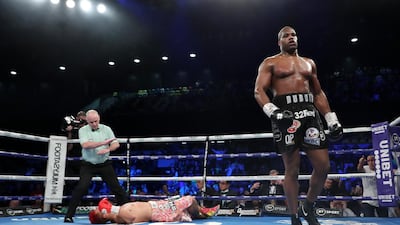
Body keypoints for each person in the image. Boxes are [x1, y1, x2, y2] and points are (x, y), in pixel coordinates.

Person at [254, 26, 343, 225]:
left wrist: (331, 118)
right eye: (286, 36)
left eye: (293, 35)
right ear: (279, 42)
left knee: (323, 166)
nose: (291, 38)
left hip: (309, 112)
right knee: (291, 169)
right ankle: (294, 217)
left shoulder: (309, 63)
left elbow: (318, 93)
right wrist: (273, 112)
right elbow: (259, 90)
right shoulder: (271, 62)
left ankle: (308, 206)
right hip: (285, 113)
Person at [64, 109, 129, 223]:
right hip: (88, 164)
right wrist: (104, 143)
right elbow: (85, 144)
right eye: (91, 122)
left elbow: (116, 143)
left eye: (96, 121)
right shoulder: (83, 130)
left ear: (99, 119)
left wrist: (108, 149)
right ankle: (69, 215)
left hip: (104, 163)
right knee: (81, 187)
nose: (94, 124)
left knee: (116, 188)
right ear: (87, 121)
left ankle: (128, 212)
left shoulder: (106, 129)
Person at [88, 196, 220, 224]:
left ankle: (203, 212)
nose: (101, 207)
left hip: (157, 207)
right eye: (99, 210)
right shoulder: (119, 215)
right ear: (103, 215)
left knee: (185, 210)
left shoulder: (118, 215)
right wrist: (112, 210)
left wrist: (110, 210)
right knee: (190, 199)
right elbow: (130, 219)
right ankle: (204, 212)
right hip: (158, 211)